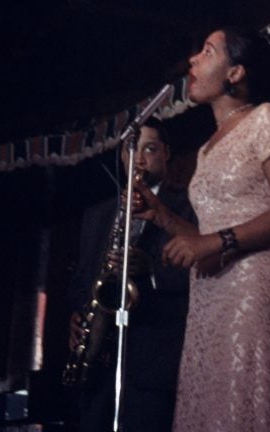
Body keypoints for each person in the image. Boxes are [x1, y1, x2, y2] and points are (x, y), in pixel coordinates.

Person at [134, 27, 270, 431]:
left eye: (208, 52)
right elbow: (207, 234)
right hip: (212, 289)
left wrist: (220, 241)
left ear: (235, 73)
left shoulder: (267, 118)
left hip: (255, 282)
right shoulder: (208, 146)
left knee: (245, 406)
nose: (193, 60)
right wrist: (160, 213)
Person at [66, 117, 195, 432]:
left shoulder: (188, 206)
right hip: (100, 365)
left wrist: (149, 271)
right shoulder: (97, 214)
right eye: (130, 150)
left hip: (153, 360)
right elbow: (84, 279)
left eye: (149, 148)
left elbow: (199, 276)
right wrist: (79, 315)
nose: (138, 158)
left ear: (166, 153)